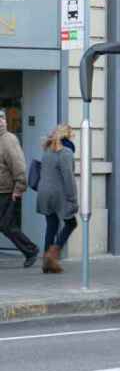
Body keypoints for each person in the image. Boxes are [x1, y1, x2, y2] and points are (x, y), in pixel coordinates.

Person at [36, 124, 78, 274]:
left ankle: (47, 263)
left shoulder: (47, 150)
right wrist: (73, 198)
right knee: (71, 222)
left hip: (44, 192)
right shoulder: (66, 152)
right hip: (57, 194)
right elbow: (69, 178)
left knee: (52, 225)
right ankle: (53, 253)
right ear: (68, 136)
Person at [0, 109, 39, 267]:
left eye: (2, 118)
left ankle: (30, 250)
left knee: (7, 225)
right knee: (6, 225)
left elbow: (19, 166)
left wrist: (19, 188)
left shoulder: (8, 140)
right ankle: (30, 250)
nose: (1, 121)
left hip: (7, 191)